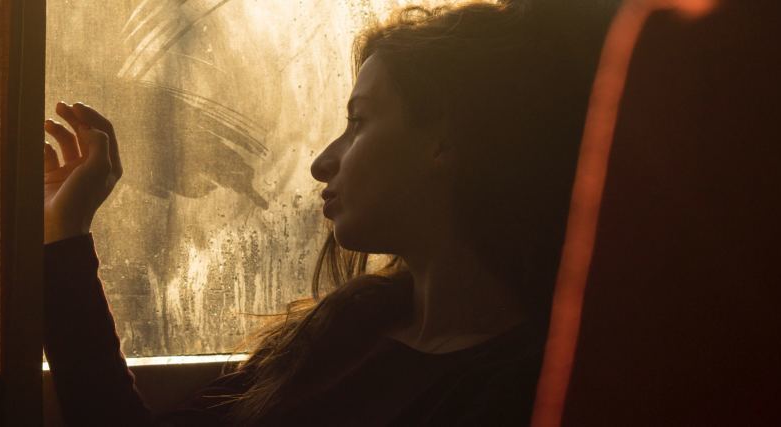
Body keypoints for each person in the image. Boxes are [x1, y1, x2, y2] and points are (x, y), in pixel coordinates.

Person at [41, 1, 605, 425]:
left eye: (358, 122)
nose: (321, 163)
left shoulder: (518, 392)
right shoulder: (344, 331)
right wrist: (65, 232)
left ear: (445, 144)